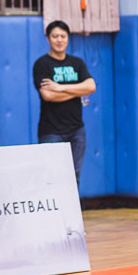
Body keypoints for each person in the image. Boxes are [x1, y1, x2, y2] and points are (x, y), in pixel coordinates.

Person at [32, 20, 96, 186]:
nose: (59, 40)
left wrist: (59, 88)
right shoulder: (42, 64)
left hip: (76, 130)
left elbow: (91, 86)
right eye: (55, 36)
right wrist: (77, 91)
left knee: (74, 175)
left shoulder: (77, 63)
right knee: (51, 177)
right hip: (51, 131)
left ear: (68, 38)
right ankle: (53, 212)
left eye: (63, 36)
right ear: (48, 39)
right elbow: (48, 96)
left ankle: (70, 212)